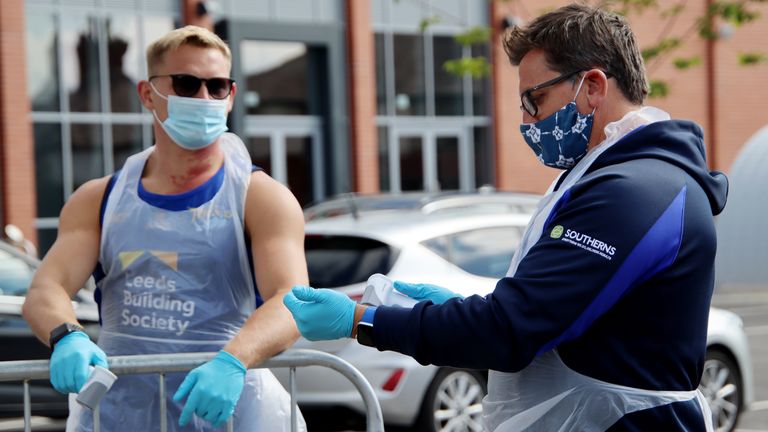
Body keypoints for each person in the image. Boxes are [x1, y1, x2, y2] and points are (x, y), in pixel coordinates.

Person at [283, 4, 727, 431]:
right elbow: (557, 315)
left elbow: (512, 331)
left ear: (592, 86)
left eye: (534, 99)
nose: (526, 119)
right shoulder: (616, 176)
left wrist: (363, 320)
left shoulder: (632, 191)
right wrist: (449, 307)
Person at [22, 26, 308, 432]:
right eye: (187, 84)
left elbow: (293, 301)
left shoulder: (261, 198)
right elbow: (46, 288)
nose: (204, 98)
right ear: (147, 93)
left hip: (227, 414)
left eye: (217, 86)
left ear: (231, 96)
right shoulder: (100, 199)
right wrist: (67, 335)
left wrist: (234, 360)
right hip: (119, 417)